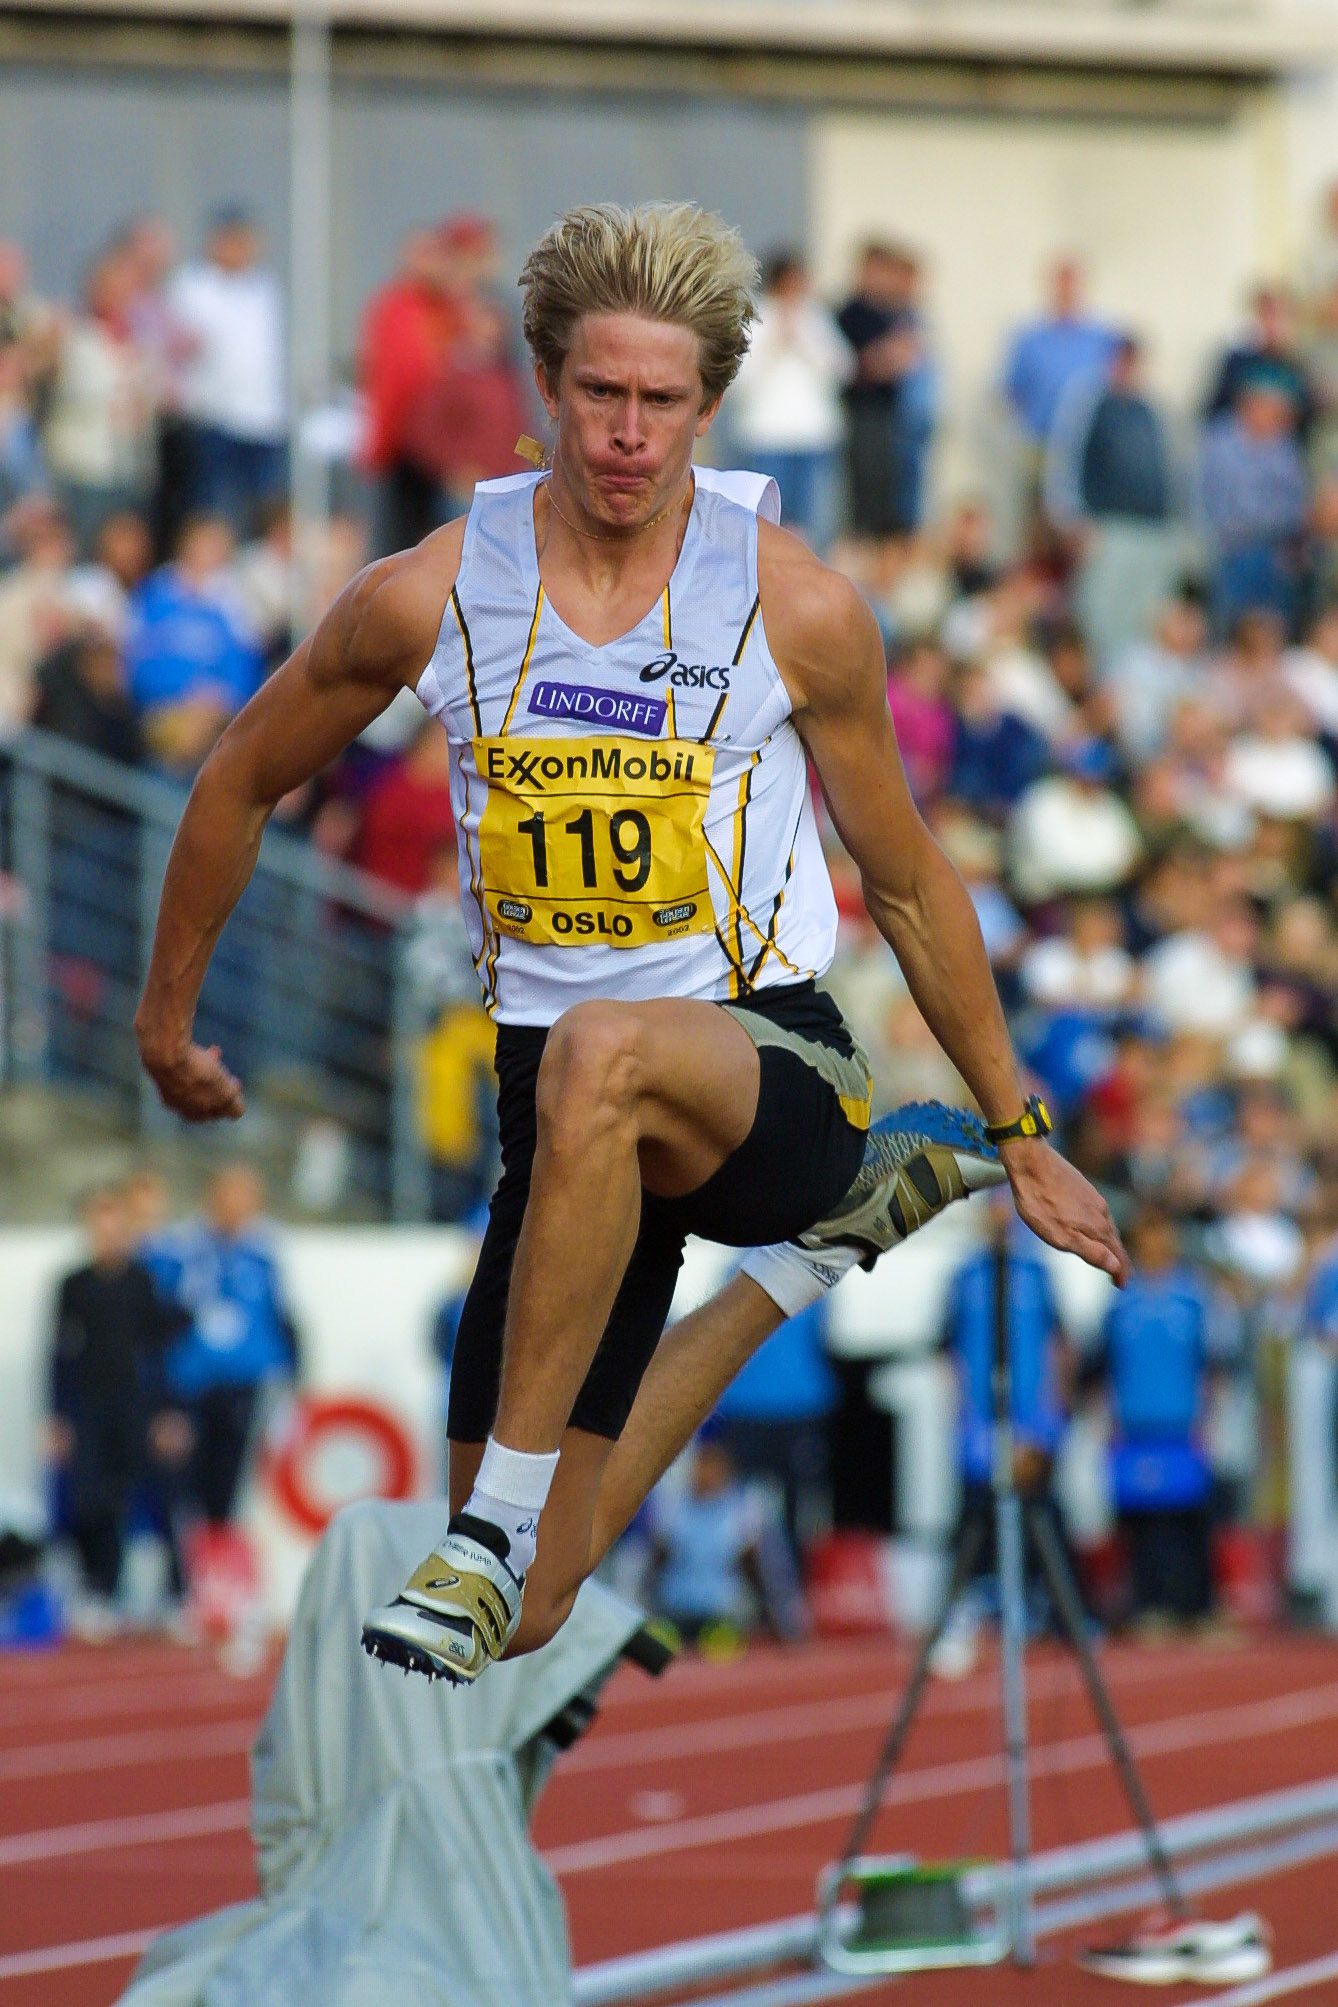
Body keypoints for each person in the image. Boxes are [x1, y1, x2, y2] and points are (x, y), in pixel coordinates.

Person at [133, 201, 1126, 1688]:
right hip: (568, 1111)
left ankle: (483, 1530)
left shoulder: (792, 609)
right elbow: (236, 779)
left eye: (662, 402)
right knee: (534, 1605)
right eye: (601, 393)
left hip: (767, 1055)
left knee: (601, 1059)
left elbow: (910, 882)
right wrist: (167, 1019)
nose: (627, 433)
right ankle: (803, 1266)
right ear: (548, 383)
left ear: (707, 407)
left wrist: (1021, 1125)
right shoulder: (426, 595)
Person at [46, 1185, 186, 1616]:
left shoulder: (144, 1282)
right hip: (89, 1407)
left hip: (136, 1406)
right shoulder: (73, 1284)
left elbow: (159, 1351)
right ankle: (101, 1589)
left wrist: (166, 1412)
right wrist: (56, 1416)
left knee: (156, 1497)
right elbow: (60, 1353)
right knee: (91, 1499)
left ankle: (174, 1594)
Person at [147, 1164, 298, 1530]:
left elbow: (282, 1320)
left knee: (231, 1493)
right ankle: (183, 1579)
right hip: (191, 1391)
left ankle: (220, 1576)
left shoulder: (263, 1256)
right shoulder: (182, 1253)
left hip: (245, 1390)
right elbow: (158, 1326)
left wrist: (291, 1381)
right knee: (182, 1493)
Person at [1044, 335, 1180, 672]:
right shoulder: (1091, 405)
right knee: (1102, 617)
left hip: (1152, 532)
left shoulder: (1150, 411)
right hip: (1107, 527)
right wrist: (1069, 517)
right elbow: (1065, 459)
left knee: (1144, 619)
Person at [168, 209, 287, 535]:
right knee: (216, 509)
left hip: (263, 420)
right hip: (217, 419)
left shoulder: (264, 288)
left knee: (265, 511)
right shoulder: (193, 286)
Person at [727, 251, 851, 553]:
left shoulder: (816, 318)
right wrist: (773, 342)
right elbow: (736, 380)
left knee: (812, 522)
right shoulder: (754, 318)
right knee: (765, 519)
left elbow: (843, 369)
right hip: (765, 437)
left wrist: (805, 340)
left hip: (812, 436)